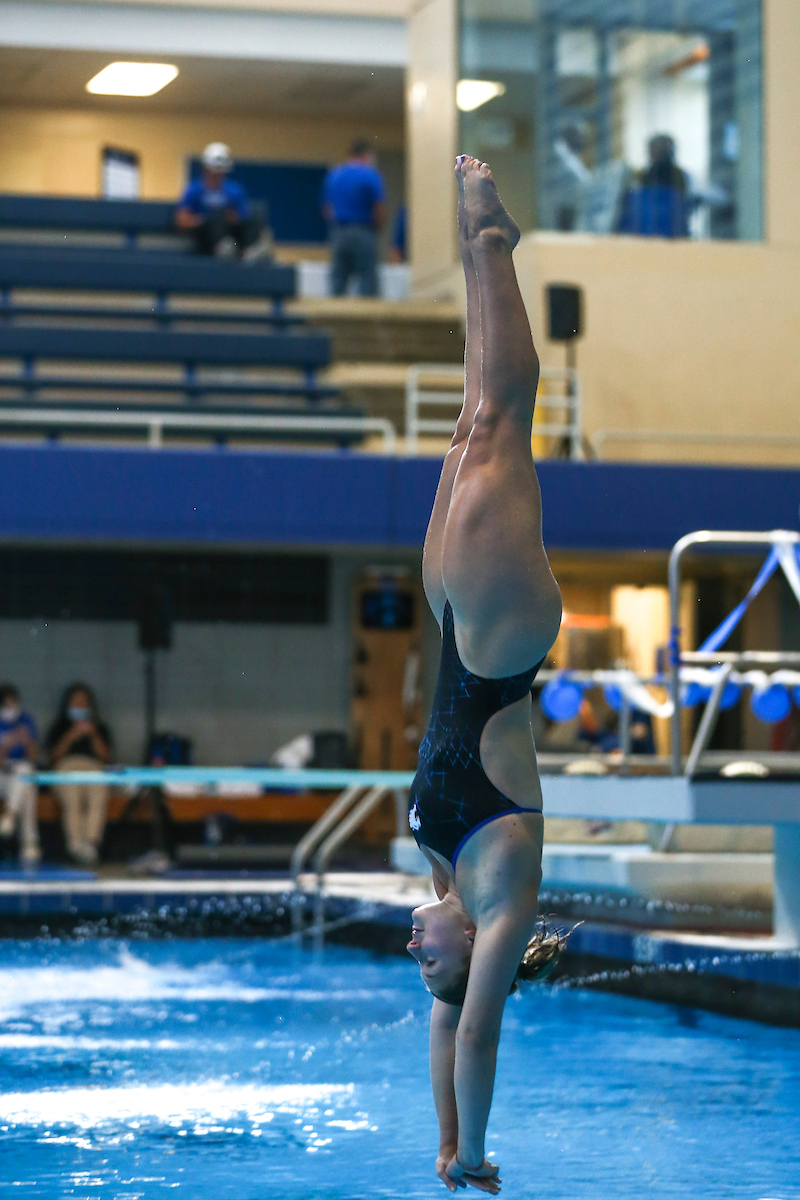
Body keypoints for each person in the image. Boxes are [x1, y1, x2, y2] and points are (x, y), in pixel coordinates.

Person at [405, 156, 566, 1194]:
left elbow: (437, 1030)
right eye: (423, 959)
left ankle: (475, 245)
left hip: (451, 622)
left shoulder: (442, 876)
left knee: (468, 420)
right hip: (499, 644)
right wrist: (471, 1155)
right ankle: (492, 238)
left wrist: (436, 1146)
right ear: (472, 947)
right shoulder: (497, 897)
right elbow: (473, 1035)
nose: (408, 944)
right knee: (505, 412)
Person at [46, 683, 112, 866]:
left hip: (93, 767)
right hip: (67, 766)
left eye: (83, 702)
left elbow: (106, 758)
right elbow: (54, 758)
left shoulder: (99, 727)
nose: (80, 705)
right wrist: (70, 736)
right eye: (76, 701)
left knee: (98, 793)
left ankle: (90, 843)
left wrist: (93, 735)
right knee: (72, 798)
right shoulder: (59, 727)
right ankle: (75, 844)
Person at [175, 143, 270, 260]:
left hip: (232, 236)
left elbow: (241, 217)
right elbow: (181, 220)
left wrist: (230, 218)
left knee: (254, 217)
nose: (216, 173)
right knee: (216, 217)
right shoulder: (194, 190)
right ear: (205, 168)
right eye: (214, 169)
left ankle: (249, 252)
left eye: (220, 169)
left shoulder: (234, 191)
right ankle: (222, 248)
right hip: (206, 237)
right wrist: (205, 220)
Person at [322, 140, 386, 296]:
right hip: (363, 232)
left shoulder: (334, 176)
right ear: (367, 155)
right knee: (368, 283)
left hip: (339, 233)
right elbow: (378, 209)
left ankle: (335, 319)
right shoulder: (371, 176)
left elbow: (327, 210)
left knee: (337, 283)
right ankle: (368, 319)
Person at [0, 684, 41, 866]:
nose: (11, 708)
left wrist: (26, 742)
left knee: (26, 776)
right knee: (26, 785)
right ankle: (29, 843)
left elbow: (32, 759)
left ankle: (10, 816)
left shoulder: (26, 720)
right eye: (6, 705)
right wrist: (6, 745)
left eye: (13, 704)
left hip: (18, 773)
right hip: (1, 773)